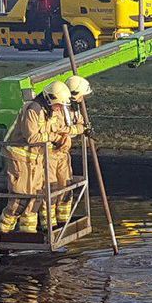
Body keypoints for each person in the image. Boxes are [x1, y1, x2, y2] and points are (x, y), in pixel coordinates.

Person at [0, 81, 72, 234]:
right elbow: (32, 137)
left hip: (36, 158)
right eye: (58, 105)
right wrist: (56, 138)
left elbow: (54, 128)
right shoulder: (33, 109)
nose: (59, 108)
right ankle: (3, 233)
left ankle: (27, 233)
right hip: (19, 157)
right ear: (50, 99)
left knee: (36, 196)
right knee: (21, 198)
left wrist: (69, 133)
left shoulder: (48, 110)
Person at [47, 75, 92, 226]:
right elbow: (58, 129)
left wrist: (85, 128)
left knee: (66, 187)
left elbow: (78, 122)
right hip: (50, 153)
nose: (83, 99)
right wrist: (77, 129)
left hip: (63, 154)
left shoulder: (73, 109)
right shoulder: (56, 108)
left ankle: (63, 222)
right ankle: (49, 225)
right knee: (52, 189)